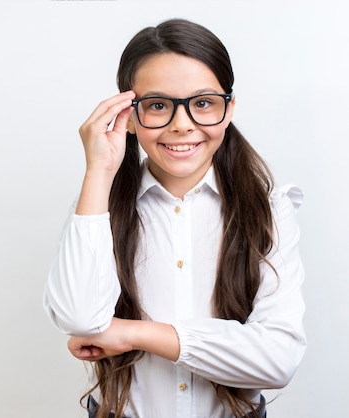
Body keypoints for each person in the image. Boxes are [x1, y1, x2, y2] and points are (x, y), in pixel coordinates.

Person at [43, 18, 306, 418]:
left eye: (202, 103)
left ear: (228, 108)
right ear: (129, 114)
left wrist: (133, 333)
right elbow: (79, 317)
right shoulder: (99, 205)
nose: (182, 125)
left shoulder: (268, 207)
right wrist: (98, 171)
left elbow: (277, 359)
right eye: (159, 105)